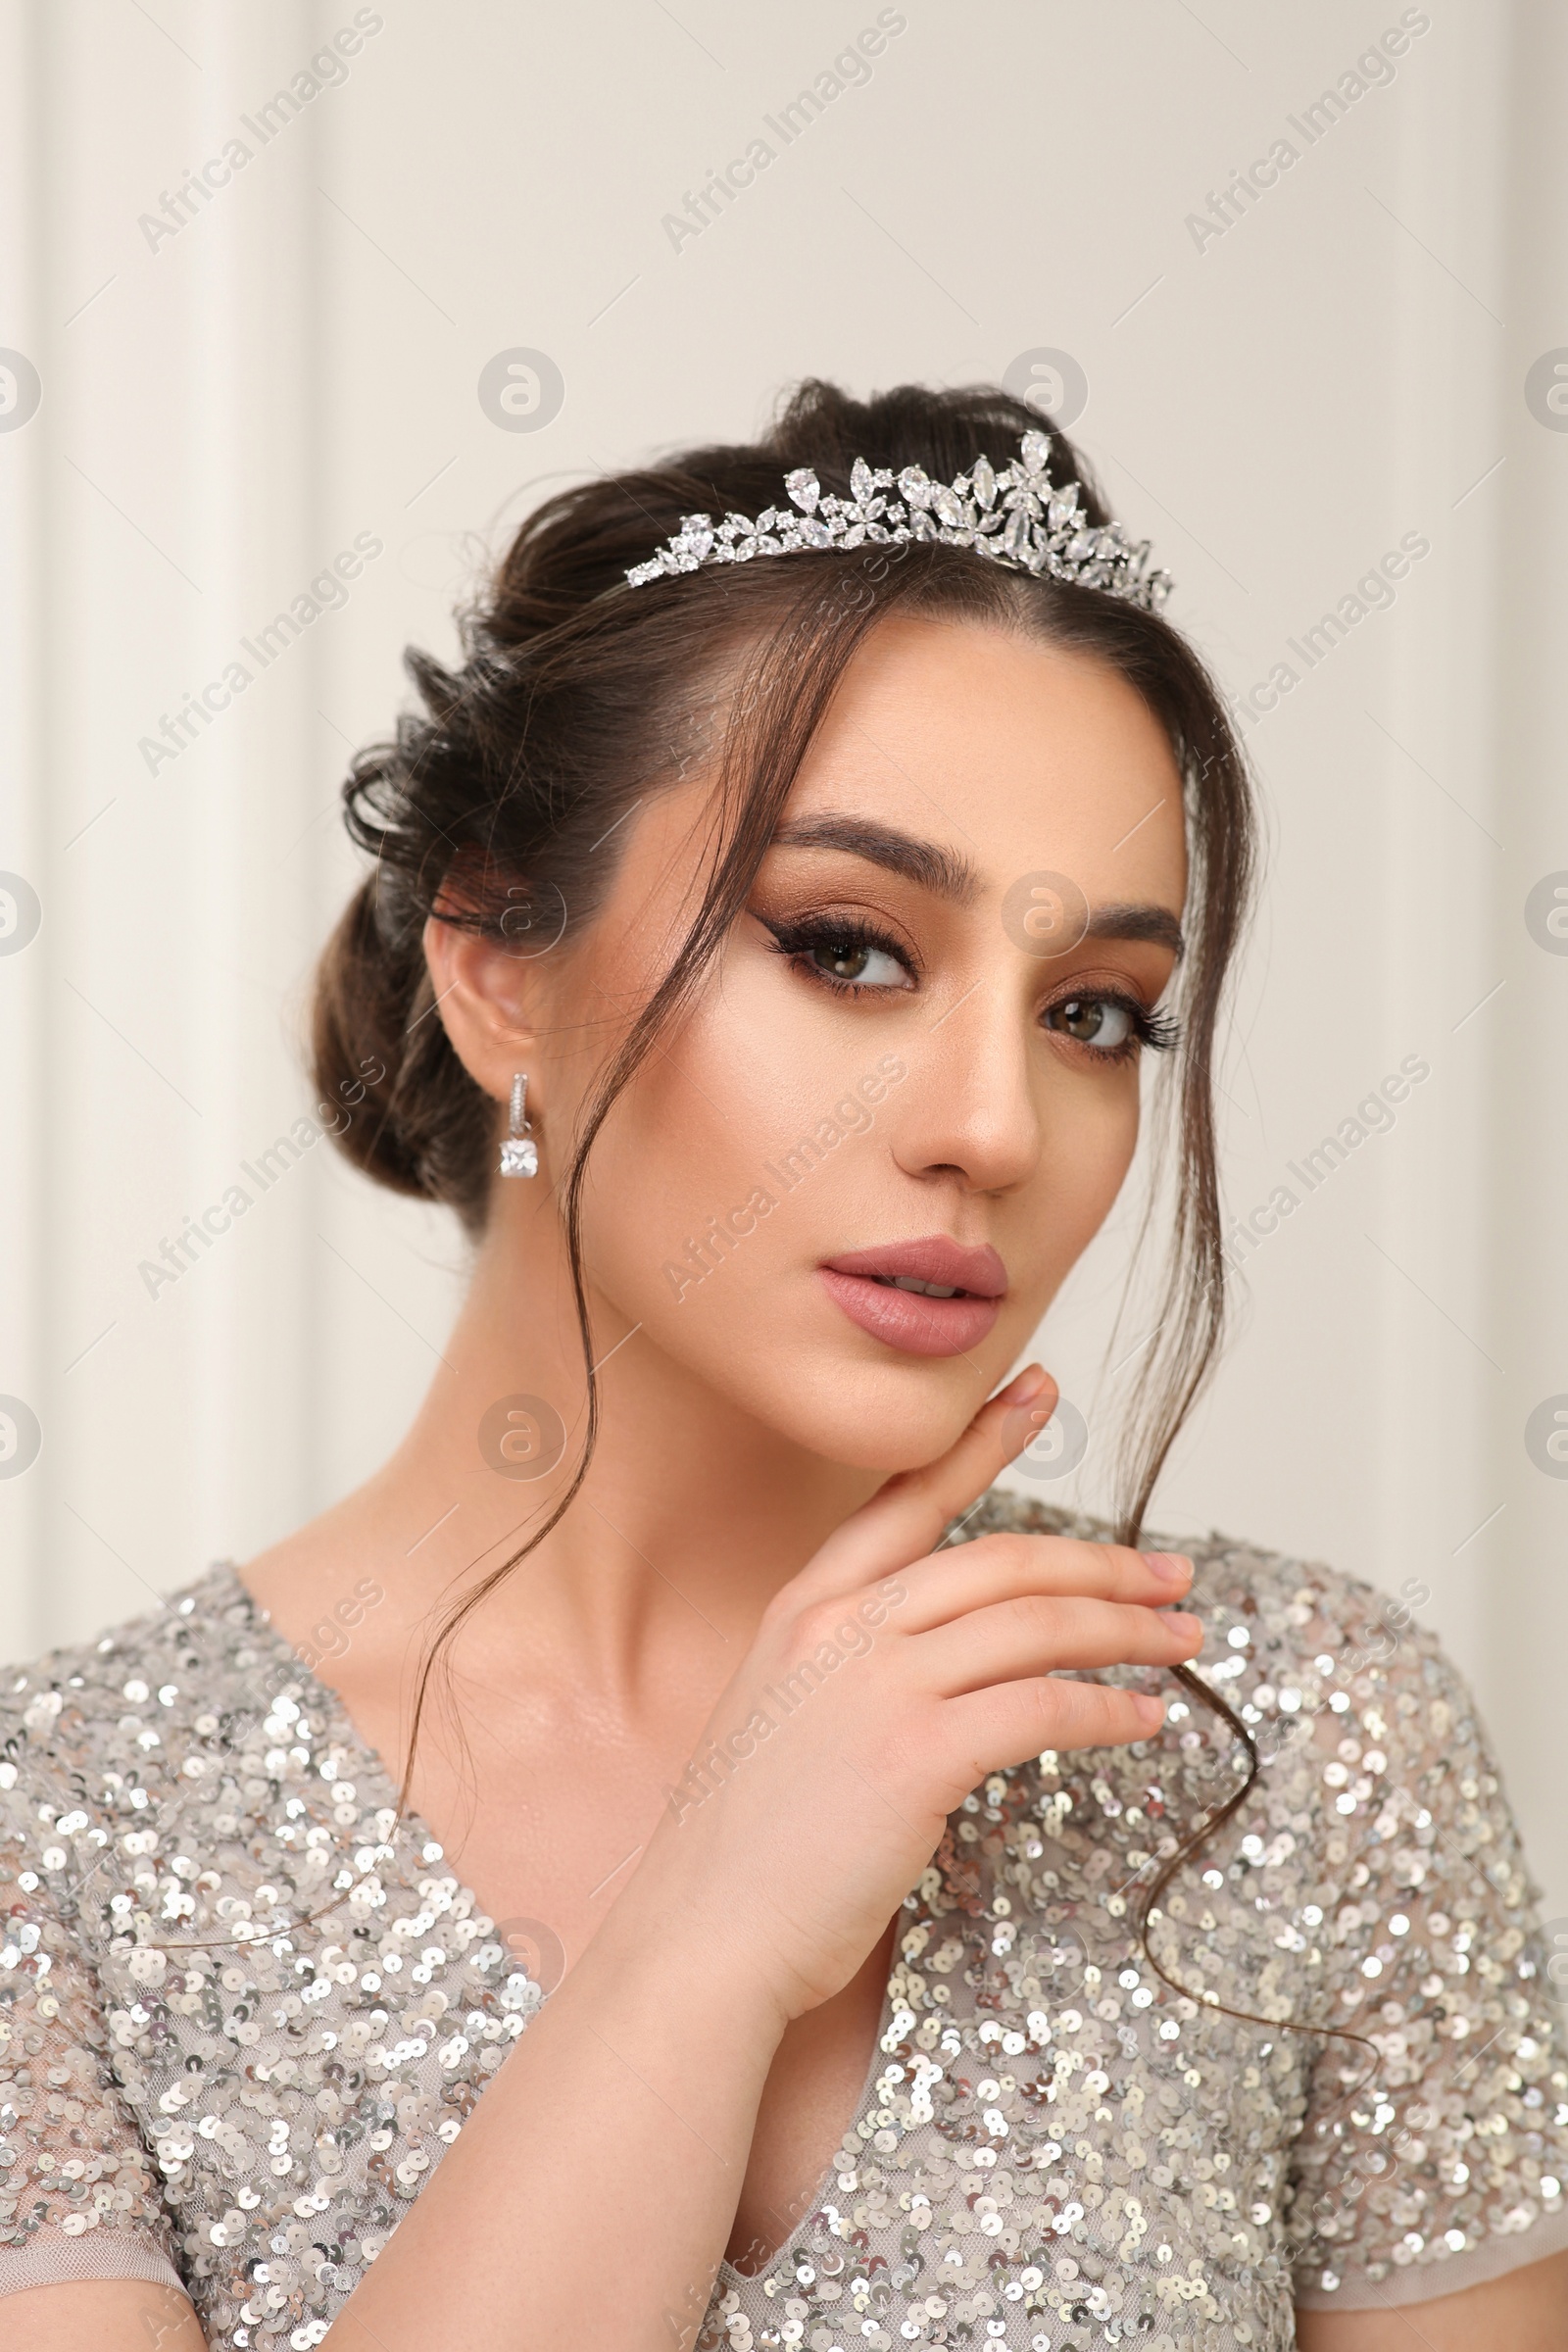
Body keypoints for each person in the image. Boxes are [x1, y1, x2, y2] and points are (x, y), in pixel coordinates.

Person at [3, 383, 1565, 2352]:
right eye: (844, 948)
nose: (994, 1121)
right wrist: (704, 1937)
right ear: (497, 964)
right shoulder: (58, 1836)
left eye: (1094, 1010)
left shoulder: (1298, 1744)